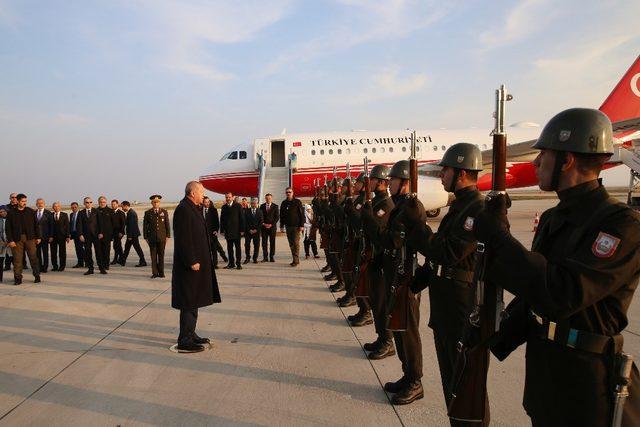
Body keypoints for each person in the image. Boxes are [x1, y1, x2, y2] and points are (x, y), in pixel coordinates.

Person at [475, 108, 640, 425]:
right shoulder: (554, 217)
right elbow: (532, 295)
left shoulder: (621, 224)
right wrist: (489, 340)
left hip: (586, 384)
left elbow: (561, 294)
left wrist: (499, 238)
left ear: (567, 161)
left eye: (543, 155)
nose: (536, 164)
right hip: (546, 375)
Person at [406, 143, 488, 424]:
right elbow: (441, 248)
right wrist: (423, 277)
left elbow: (449, 252)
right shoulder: (460, 206)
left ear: (462, 173)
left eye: (446, 171)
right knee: (451, 378)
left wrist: (418, 230)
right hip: (447, 302)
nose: (441, 176)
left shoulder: (475, 208)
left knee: (464, 379)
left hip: (460, 303)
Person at [363, 160, 426, 405]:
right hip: (393, 274)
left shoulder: (411, 207)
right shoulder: (399, 205)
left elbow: (393, 241)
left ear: (405, 183)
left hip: (405, 275)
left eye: (394, 181)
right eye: (388, 181)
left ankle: (415, 381)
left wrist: (368, 221)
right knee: (398, 327)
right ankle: (407, 374)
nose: (390, 185)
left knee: (408, 332)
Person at [172, 181, 221, 353]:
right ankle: (185, 340)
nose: (203, 195)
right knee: (189, 301)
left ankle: (191, 333)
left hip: (197, 265)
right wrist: (191, 260)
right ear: (192, 193)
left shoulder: (193, 207)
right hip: (189, 266)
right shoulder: (183, 210)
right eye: (201, 191)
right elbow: (184, 239)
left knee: (194, 301)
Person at [5, 194, 41, 284]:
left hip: (30, 238)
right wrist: (10, 240)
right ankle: (17, 278)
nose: (24, 203)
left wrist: (38, 237)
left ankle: (37, 276)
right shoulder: (11, 213)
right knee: (17, 260)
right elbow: (8, 228)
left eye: (25, 201)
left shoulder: (30, 211)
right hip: (17, 239)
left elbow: (36, 225)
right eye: (22, 201)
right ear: (17, 201)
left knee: (33, 258)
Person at [143, 195, 171, 278]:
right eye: (154, 202)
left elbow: (167, 224)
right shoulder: (148, 212)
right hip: (152, 238)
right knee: (153, 256)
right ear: (152, 203)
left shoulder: (164, 212)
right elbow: (145, 226)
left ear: (159, 203)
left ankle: (161, 272)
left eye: (157, 202)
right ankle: (155, 273)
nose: (156, 203)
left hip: (162, 237)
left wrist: (168, 236)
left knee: (161, 255)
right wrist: (145, 237)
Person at [77, 197, 104, 275]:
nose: (88, 203)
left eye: (90, 202)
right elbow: (79, 225)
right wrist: (80, 235)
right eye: (87, 202)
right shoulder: (81, 213)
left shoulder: (96, 211)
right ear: (84, 203)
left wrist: (101, 232)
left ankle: (101, 268)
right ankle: (90, 269)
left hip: (96, 235)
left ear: (92, 203)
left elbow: (100, 223)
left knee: (98, 252)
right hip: (86, 236)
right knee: (88, 253)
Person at [279, 187, 304, 266]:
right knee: (291, 243)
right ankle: (295, 259)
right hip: (288, 226)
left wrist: (301, 225)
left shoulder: (297, 202)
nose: (288, 193)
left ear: (293, 193)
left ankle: (296, 260)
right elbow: (282, 215)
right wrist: (281, 225)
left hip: (296, 226)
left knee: (295, 243)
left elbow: (301, 214)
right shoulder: (284, 203)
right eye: (287, 192)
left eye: (290, 192)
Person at [220, 192, 245, 270]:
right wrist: (222, 230)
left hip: (237, 231)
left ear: (232, 197)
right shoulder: (224, 207)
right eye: (226, 197)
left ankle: (238, 264)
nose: (228, 199)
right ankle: (231, 263)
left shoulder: (238, 206)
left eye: (229, 197)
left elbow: (242, 219)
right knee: (229, 249)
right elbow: (222, 220)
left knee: (238, 249)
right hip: (228, 232)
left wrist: (242, 230)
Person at [202, 196, 228, 268]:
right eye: (205, 202)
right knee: (205, 250)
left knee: (214, 249)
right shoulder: (200, 210)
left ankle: (215, 264)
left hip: (212, 233)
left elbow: (216, 221)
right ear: (203, 202)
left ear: (209, 202)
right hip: (203, 234)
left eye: (208, 202)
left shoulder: (213, 210)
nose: (207, 203)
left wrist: (216, 230)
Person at [121, 201, 147, 267]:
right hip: (132, 234)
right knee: (127, 248)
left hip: (133, 235)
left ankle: (143, 261)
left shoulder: (131, 213)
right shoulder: (130, 212)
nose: (121, 208)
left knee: (137, 248)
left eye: (122, 206)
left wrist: (130, 236)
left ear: (126, 206)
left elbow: (131, 225)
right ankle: (123, 261)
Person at [96, 196, 115, 272]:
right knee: (99, 251)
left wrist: (113, 235)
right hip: (98, 235)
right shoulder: (95, 210)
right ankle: (101, 265)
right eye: (101, 202)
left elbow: (114, 224)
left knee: (106, 251)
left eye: (103, 202)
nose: (102, 203)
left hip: (108, 235)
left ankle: (106, 265)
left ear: (106, 202)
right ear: (98, 202)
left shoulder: (110, 211)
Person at [50, 202, 70, 272]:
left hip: (62, 236)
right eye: (55, 206)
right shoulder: (50, 215)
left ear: (60, 207)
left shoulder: (64, 215)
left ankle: (62, 266)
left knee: (62, 252)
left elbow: (67, 226)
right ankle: (55, 266)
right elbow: (49, 226)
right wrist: (50, 236)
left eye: (57, 206)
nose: (56, 207)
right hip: (52, 237)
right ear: (53, 208)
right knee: (53, 252)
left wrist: (67, 236)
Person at [35, 198, 53, 273]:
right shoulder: (34, 213)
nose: (40, 204)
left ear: (44, 204)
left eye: (41, 203)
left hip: (45, 237)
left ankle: (45, 267)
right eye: (38, 203)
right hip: (36, 238)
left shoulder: (48, 213)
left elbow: (51, 226)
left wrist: (51, 236)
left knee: (45, 253)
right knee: (37, 253)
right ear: (36, 204)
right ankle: (39, 267)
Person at [259, 193, 279, 262]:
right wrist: (264, 224)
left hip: (272, 227)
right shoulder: (262, 206)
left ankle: (271, 257)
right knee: (264, 243)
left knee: (272, 242)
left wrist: (271, 224)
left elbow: (277, 217)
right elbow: (260, 216)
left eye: (269, 198)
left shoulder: (275, 206)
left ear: (271, 198)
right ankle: (265, 257)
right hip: (264, 227)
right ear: (265, 199)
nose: (268, 200)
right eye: (267, 198)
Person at [243, 197, 263, 264]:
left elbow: (261, 222)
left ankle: (255, 258)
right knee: (247, 245)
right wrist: (249, 230)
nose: (253, 204)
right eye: (252, 203)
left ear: (257, 204)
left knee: (256, 245)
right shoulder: (246, 211)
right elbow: (244, 222)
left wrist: (256, 230)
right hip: (248, 231)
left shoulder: (260, 211)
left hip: (256, 232)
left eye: (255, 203)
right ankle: (247, 258)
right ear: (250, 203)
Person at [3, 193, 18, 271]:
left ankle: (23, 264)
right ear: (10, 198)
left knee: (19, 249)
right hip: (8, 230)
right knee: (8, 249)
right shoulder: (6, 207)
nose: (14, 198)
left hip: (18, 231)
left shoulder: (20, 206)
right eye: (13, 197)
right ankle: (7, 265)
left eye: (16, 197)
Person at [69, 202, 85, 268]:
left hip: (81, 234)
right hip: (74, 234)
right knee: (78, 249)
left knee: (83, 249)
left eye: (75, 207)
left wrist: (82, 234)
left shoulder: (81, 214)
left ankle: (87, 262)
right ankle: (80, 263)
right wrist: (70, 233)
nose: (74, 208)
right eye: (72, 207)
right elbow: (71, 225)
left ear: (78, 207)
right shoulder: (71, 214)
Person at [111, 199, 126, 265]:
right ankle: (121, 259)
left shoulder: (121, 213)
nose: (113, 205)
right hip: (113, 232)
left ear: (117, 204)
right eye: (112, 204)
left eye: (114, 204)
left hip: (119, 232)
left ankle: (117, 259)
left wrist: (121, 232)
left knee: (116, 245)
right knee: (117, 246)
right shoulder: (111, 212)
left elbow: (123, 224)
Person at [0, 206, 7, 282]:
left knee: (14, 260)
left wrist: (10, 241)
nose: (3, 213)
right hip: (1, 244)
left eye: (4, 211)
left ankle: (17, 277)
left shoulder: (11, 219)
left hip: (11, 243)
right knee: (1, 260)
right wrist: (1, 241)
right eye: (1, 212)